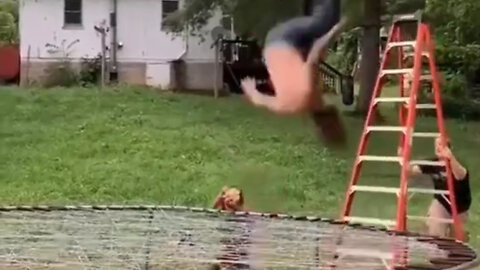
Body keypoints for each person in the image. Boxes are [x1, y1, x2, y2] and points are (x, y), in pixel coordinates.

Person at [240, 0, 347, 147]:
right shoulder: (285, 107)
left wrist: (336, 30)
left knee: (325, 24)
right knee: (318, 31)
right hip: (273, 45)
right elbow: (257, 99)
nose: (322, 95)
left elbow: (315, 54)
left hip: (284, 39)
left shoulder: (308, 91)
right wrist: (249, 87)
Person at [403, 137, 472, 239]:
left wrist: (450, 158)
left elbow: (460, 175)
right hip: (442, 202)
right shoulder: (433, 163)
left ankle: (461, 235)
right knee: (436, 234)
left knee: (457, 241)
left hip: (460, 207)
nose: (437, 147)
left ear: (448, 148)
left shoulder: (457, 163)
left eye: (440, 144)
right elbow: (413, 171)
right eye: (436, 145)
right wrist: (404, 162)